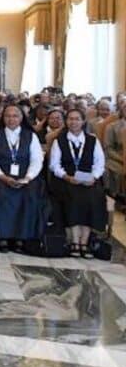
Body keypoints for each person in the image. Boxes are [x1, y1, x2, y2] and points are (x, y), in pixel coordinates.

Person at [0, 104, 46, 253]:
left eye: (15, 116)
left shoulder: (30, 135)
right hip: (1, 176)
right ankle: (3, 236)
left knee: (30, 194)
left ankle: (21, 237)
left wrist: (28, 178)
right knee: (0, 192)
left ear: (21, 118)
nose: (11, 119)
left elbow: (37, 160)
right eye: (7, 116)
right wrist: (3, 177)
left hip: (26, 177)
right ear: (3, 118)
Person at [49, 109, 107, 257]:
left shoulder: (92, 140)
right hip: (67, 180)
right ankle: (75, 240)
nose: (73, 122)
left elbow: (99, 163)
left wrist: (94, 177)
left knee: (93, 197)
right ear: (66, 121)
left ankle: (84, 241)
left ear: (83, 121)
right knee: (73, 196)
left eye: (77, 119)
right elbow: (54, 165)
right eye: (70, 119)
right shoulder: (59, 140)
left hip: (89, 180)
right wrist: (67, 177)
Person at [104, 102, 126, 206]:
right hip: (117, 158)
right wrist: (123, 159)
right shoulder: (112, 126)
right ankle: (121, 199)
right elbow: (108, 148)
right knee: (121, 172)